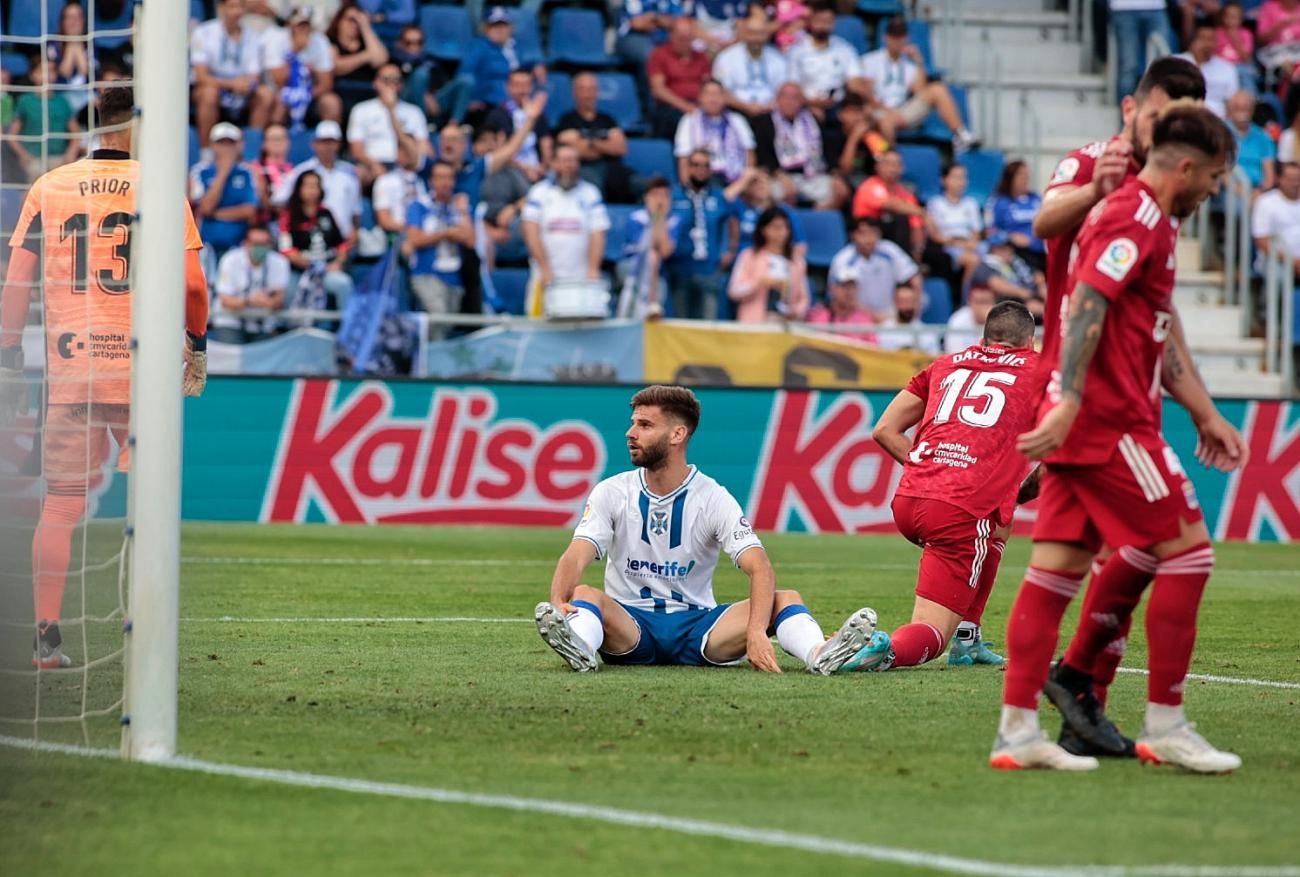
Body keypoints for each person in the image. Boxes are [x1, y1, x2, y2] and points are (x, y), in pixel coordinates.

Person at [996, 104, 1244, 773]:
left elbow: (1139, 322)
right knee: (1189, 554)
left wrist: (1202, 409)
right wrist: (1073, 398)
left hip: (1096, 419)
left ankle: (1017, 731)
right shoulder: (1136, 216)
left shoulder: (1145, 218)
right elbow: (1088, 304)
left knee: (1054, 575)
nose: (1215, 191)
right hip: (1111, 422)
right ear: (1186, 167)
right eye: (1216, 177)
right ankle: (1166, 721)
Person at [0, 87, 209, 669]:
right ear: (135, 126)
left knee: (62, 505)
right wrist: (197, 344)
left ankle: (46, 639)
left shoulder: (51, 185)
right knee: (152, 505)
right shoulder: (160, 186)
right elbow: (192, 287)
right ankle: (149, 636)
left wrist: (10, 356)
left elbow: (16, 284)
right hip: (140, 374)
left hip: (72, 370)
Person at [534, 385, 877, 673]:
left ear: (677, 434)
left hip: (699, 628)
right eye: (633, 423)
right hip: (628, 625)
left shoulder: (713, 498)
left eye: (644, 425)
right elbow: (576, 556)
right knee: (584, 595)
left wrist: (756, 631)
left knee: (785, 599)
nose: (630, 432)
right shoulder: (612, 491)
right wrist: (556, 603)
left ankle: (821, 655)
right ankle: (578, 644)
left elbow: (759, 566)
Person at [848, 301, 1041, 674]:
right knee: (931, 633)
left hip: (908, 498)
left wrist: (928, 468)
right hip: (957, 510)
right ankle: (884, 650)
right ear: (1030, 342)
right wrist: (1019, 493)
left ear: (984, 337)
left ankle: (968, 640)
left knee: (1000, 521)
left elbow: (884, 430)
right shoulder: (1040, 372)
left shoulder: (947, 363)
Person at [861, 16, 978, 153]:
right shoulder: (870, 61)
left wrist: (919, 61)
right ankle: (891, 158)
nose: (897, 41)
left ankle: (960, 135)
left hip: (901, 110)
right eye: (893, 36)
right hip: (879, 109)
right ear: (885, 37)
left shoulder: (909, 66)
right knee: (886, 121)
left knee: (937, 89)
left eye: (900, 36)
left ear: (906, 38)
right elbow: (865, 93)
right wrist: (885, 110)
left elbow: (920, 93)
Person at [522, 145, 611, 316]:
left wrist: (593, 269)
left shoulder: (590, 193)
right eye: (563, 161)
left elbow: (598, 233)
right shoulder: (539, 193)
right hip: (545, 276)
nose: (568, 166)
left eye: (572, 161)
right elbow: (531, 232)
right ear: (554, 164)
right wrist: (545, 268)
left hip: (581, 277)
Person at [404, 162, 475, 335]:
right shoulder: (419, 206)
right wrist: (446, 233)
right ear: (431, 181)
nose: (445, 182)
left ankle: (428, 357)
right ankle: (426, 360)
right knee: (439, 317)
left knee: (445, 326)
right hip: (426, 273)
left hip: (454, 276)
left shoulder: (459, 207)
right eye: (440, 177)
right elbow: (415, 238)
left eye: (449, 177)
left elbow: (471, 241)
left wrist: (464, 213)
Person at [191, 0, 273, 149]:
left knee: (265, 94)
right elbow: (201, 76)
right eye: (232, 7)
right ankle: (206, 151)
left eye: (240, 7)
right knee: (209, 93)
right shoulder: (203, 32)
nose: (236, 12)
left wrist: (247, 85)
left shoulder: (253, 36)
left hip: (241, 91)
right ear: (221, 8)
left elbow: (254, 75)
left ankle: (251, 153)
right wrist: (231, 84)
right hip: (215, 87)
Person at [751, 82, 846, 210]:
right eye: (785, 97)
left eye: (795, 97)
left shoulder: (813, 121)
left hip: (813, 175)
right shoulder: (765, 122)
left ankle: (815, 223)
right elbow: (763, 156)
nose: (789, 102)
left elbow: (827, 153)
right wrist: (780, 176)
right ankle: (786, 224)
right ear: (777, 99)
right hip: (779, 175)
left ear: (802, 101)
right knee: (772, 193)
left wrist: (835, 176)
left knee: (840, 191)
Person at [273, 120, 363, 241]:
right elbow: (279, 202)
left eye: (331, 142)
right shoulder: (301, 171)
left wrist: (354, 231)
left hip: (343, 239)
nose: (327, 146)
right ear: (314, 144)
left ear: (339, 144)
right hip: (309, 239)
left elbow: (355, 211)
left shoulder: (350, 173)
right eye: (323, 142)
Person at [278, 169, 355, 310]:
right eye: (307, 186)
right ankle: (285, 328)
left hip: (327, 269)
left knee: (343, 283)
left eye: (315, 186)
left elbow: (341, 244)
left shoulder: (327, 213)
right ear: (299, 188)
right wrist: (312, 266)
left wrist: (337, 263)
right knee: (287, 289)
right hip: (299, 270)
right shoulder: (289, 215)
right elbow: (286, 249)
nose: (312, 190)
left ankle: (347, 327)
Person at [346, 62, 432, 186]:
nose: (391, 84)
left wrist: (391, 109)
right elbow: (356, 149)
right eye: (386, 80)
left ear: (401, 85)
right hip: (373, 165)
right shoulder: (361, 109)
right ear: (376, 83)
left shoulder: (414, 112)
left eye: (395, 80)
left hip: (405, 166)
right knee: (359, 173)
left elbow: (423, 147)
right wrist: (374, 165)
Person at [190, 122, 262, 268]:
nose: (226, 148)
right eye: (221, 143)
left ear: (239, 145)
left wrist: (215, 214)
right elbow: (204, 208)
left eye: (230, 143)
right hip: (206, 246)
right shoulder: (200, 171)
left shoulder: (248, 172)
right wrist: (223, 173)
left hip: (239, 247)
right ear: (212, 145)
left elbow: (249, 211)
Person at [555, 73, 632, 199]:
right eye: (583, 89)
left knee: (648, 186)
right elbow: (575, 151)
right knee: (593, 185)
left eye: (591, 89)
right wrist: (605, 146)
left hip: (614, 169)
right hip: (584, 168)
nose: (587, 94)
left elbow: (621, 148)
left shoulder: (608, 119)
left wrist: (590, 143)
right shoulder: (566, 120)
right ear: (574, 93)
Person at [265, 5, 342, 130]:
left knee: (331, 102)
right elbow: (278, 80)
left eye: (306, 26)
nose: (304, 30)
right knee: (280, 101)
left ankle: (329, 141)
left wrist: (305, 95)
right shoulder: (276, 39)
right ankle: (276, 141)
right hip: (280, 91)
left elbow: (326, 83)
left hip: (310, 93)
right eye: (300, 26)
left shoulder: (320, 41)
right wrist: (296, 50)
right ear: (290, 25)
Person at [785, 2, 869, 115]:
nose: (823, 26)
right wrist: (810, 102)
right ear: (811, 21)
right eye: (819, 21)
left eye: (827, 22)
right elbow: (792, 85)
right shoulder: (797, 50)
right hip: (807, 106)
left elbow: (855, 81)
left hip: (839, 106)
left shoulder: (845, 49)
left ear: (834, 22)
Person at [829, 216, 920, 320]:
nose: (868, 239)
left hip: (892, 314)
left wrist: (912, 308)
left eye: (873, 233)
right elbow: (838, 294)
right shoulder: (843, 260)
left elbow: (914, 277)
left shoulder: (889, 251)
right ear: (852, 235)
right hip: (856, 316)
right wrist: (872, 316)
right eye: (863, 234)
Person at [727, 207, 810, 322]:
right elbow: (734, 291)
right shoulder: (749, 256)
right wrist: (759, 283)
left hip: (786, 322)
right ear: (764, 229)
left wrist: (796, 312)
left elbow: (804, 298)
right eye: (775, 227)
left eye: (784, 227)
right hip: (756, 322)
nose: (780, 232)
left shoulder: (797, 262)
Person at [212, 225, 292, 343]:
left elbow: (279, 298)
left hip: (263, 323)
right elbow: (225, 301)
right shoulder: (230, 260)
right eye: (256, 244)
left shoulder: (279, 262)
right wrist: (250, 301)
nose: (260, 248)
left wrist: (270, 302)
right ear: (246, 243)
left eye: (264, 244)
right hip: (231, 321)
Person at [8, 56, 81, 183]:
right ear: (32, 75)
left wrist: (70, 154)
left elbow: (76, 133)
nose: (47, 75)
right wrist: (25, 156)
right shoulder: (25, 101)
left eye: (51, 70)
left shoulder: (62, 102)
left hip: (59, 159)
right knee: (34, 187)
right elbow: (12, 136)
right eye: (42, 71)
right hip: (34, 160)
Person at [618, 177, 684, 318]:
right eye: (655, 195)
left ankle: (653, 303)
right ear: (646, 198)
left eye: (664, 196)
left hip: (660, 279)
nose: (660, 201)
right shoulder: (636, 218)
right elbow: (650, 245)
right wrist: (656, 216)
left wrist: (660, 217)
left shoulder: (674, 220)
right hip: (633, 275)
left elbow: (665, 250)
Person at [460, 7, 545, 115]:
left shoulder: (515, 46)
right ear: (486, 28)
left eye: (503, 25)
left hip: (519, 100)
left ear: (510, 28)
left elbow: (524, 66)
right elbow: (466, 74)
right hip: (491, 103)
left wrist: (537, 65)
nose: (500, 29)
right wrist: (472, 98)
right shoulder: (479, 47)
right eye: (495, 25)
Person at [673, 79, 757, 186]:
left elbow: (750, 154)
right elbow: (683, 159)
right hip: (704, 179)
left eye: (717, 94)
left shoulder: (737, 120)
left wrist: (745, 183)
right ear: (700, 97)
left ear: (725, 98)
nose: (713, 98)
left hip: (738, 180)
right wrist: (688, 190)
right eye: (708, 94)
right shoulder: (689, 120)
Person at [648, 17, 715, 139]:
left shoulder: (701, 57)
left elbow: (708, 84)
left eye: (689, 39)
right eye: (681, 39)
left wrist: (705, 104)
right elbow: (658, 90)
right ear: (671, 35)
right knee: (673, 120)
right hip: (671, 107)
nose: (685, 43)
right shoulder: (659, 55)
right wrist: (686, 107)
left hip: (699, 105)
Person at [712, 15, 788, 119]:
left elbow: (783, 91)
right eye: (751, 33)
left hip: (771, 112)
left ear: (767, 35)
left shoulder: (778, 59)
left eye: (760, 34)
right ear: (744, 33)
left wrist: (767, 106)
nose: (756, 38)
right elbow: (722, 91)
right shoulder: (726, 58)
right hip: (735, 112)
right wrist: (746, 107)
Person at [484, 69, 553, 183]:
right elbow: (497, 150)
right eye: (517, 85)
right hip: (510, 168)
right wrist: (525, 169)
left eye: (526, 85)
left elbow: (546, 145)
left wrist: (544, 167)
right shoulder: (497, 114)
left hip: (538, 169)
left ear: (532, 87)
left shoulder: (538, 114)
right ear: (508, 87)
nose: (522, 90)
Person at [327, 2, 389, 117]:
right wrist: (366, 56)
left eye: (358, 21)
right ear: (339, 21)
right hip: (341, 92)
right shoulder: (330, 41)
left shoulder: (367, 43)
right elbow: (336, 66)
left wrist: (366, 27)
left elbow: (381, 59)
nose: (354, 24)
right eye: (351, 19)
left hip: (368, 94)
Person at [985, 159, 1044, 272]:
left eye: (1027, 175)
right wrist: (1009, 236)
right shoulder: (998, 201)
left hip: (1041, 250)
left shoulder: (1037, 198)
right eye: (1021, 175)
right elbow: (989, 231)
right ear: (1010, 177)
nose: (1025, 179)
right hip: (1015, 252)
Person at [926, 162, 983, 277]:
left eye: (963, 178)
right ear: (944, 180)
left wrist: (971, 244)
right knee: (974, 261)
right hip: (949, 247)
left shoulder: (971, 203)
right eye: (957, 177)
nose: (961, 182)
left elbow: (976, 231)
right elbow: (935, 234)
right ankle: (966, 294)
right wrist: (958, 244)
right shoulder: (935, 203)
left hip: (971, 244)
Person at [1177, 22, 1240, 118]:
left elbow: (1232, 102)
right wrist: (1198, 62)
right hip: (1184, 117)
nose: (1207, 44)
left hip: (1217, 121)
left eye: (1211, 40)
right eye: (1203, 39)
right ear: (1193, 42)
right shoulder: (1176, 62)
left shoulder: (1227, 68)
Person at [807, 265, 878, 342]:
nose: (849, 292)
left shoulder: (864, 320)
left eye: (853, 287)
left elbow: (873, 348)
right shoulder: (819, 316)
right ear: (832, 289)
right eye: (844, 286)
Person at [1252, 161, 1300, 269]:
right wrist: (1292, 263)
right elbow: (1262, 241)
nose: (1295, 183)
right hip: (1277, 264)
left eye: (1298, 179)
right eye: (1291, 179)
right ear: (1280, 179)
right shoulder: (1265, 202)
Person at [48, 0, 93, 114]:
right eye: (69, 17)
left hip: (86, 96)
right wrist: (71, 44)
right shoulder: (52, 43)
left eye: (78, 17)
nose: (74, 22)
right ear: (62, 22)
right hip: (60, 95)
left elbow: (86, 72)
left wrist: (77, 44)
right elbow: (64, 72)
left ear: (83, 21)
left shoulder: (91, 42)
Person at [1226, 90, 1275, 191]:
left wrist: (1258, 192)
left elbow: (1269, 178)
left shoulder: (1263, 137)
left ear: (1252, 111)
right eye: (1237, 108)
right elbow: (1222, 173)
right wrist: (1242, 193)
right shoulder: (1221, 133)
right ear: (1230, 111)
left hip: (1258, 192)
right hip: (1230, 191)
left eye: (1245, 108)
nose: (1241, 113)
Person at [252, 123, 296, 225]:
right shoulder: (254, 169)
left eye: (281, 139)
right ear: (264, 143)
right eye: (273, 139)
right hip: (264, 224)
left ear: (288, 142)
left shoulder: (296, 171)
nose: (277, 143)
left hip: (290, 223)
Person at [875, 284, 939, 353]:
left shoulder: (927, 333)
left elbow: (934, 359)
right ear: (895, 302)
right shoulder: (882, 331)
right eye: (902, 301)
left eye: (910, 301)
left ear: (916, 303)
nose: (906, 306)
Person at [943, 283, 997, 353]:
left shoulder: (1001, 322)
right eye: (978, 302)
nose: (982, 307)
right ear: (969, 302)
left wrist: (990, 322)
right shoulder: (958, 319)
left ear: (994, 303)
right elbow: (953, 352)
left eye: (986, 302)